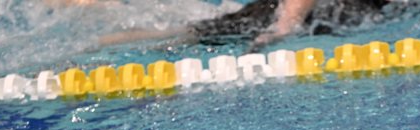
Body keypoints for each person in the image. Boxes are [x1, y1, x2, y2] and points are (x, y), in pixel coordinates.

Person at [97, 0, 394, 49]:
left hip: (318, 18)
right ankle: (98, 44)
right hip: (289, 16)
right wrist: (283, 26)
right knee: (179, 37)